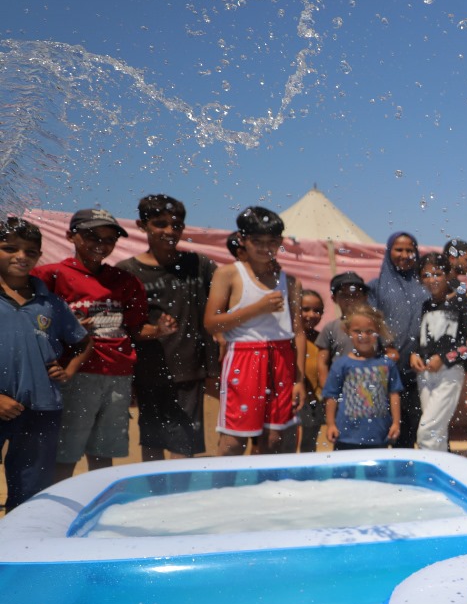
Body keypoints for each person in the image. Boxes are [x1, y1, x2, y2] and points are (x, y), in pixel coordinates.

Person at [38, 208, 153, 480]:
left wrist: (160, 330)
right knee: (66, 451)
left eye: (109, 239)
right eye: (92, 236)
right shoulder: (50, 275)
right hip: (75, 375)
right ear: (71, 236)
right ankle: (58, 513)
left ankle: (97, 508)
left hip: (118, 376)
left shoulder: (125, 281)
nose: (101, 244)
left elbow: (136, 328)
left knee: (104, 450)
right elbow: (34, 323)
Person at [116, 194, 217, 461]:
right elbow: (120, 326)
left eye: (176, 225)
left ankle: (177, 503)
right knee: (151, 444)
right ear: (142, 225)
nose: (170, 231)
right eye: (160, 224)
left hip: (189, 370)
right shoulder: (126, 272)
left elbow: (223, 304)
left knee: (183, 448)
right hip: (146, 371)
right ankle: (156, 502)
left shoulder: (199, 265)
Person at [0, 216, 89, 509]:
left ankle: (20, 547)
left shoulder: (50, 303)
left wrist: (69, 369)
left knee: (31, 491)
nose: (21, 257)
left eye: (30, 251)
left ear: (39, 255)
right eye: (10, 248)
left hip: (41, 408)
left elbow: (84, 342)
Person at [205, 207, 305, 456]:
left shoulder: (291, 282)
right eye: (257, 242)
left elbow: (299, 332)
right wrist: (257, 309)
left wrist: (299, 380)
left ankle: (264, 492)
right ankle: (223, 491)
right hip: (244, 357)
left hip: (282, 358)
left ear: (280, 242)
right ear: (243, 240)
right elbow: (210, 323)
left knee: (274, 439)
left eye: (271, 242)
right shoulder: (228, 274)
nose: (264, 248)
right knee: (234, 440)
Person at [412, 251, 467, 452]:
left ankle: (427, 475)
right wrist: (414, 354)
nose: (432, 280)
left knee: (426, 431)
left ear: (448, 274)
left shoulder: (463, 303)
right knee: (436, 432)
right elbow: (421, 336)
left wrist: (444, 358)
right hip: (424, 374)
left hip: (448, 374)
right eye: (426, 275)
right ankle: (440, 474)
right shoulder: (425, 305)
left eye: (437, 273)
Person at [368, 232, 426, 447]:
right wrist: (384, 347)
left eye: (410, 250)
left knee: (409, 431)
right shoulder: (376, 286)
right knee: (381, 430)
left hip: (415, 371)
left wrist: (419, 350)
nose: (405, 255)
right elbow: (371, 321)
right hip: (384, 369)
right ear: (388, 251)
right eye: (399, 249)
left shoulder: (424, 285)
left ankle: (403, 476)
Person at [322, 304, 402, 450]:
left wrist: (396, 422)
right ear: (347, 332)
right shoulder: (341, 365)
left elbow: (394, 394)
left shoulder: (387, 364)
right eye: (357, 331)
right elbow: (331, 396)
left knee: (376, 473)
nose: (363, 336)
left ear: (378, 332)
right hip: (346, 435)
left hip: (379, 435)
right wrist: (331, 424)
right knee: (345, 473)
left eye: (369, 331)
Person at [296, 289, 327, 452]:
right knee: (288, 442)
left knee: (309, 442)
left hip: (314, 401)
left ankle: (305, 477)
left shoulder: (321, 340)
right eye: (305, 309)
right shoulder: (287, 338)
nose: (311, 314)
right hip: (293, 399)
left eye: (317, 311)